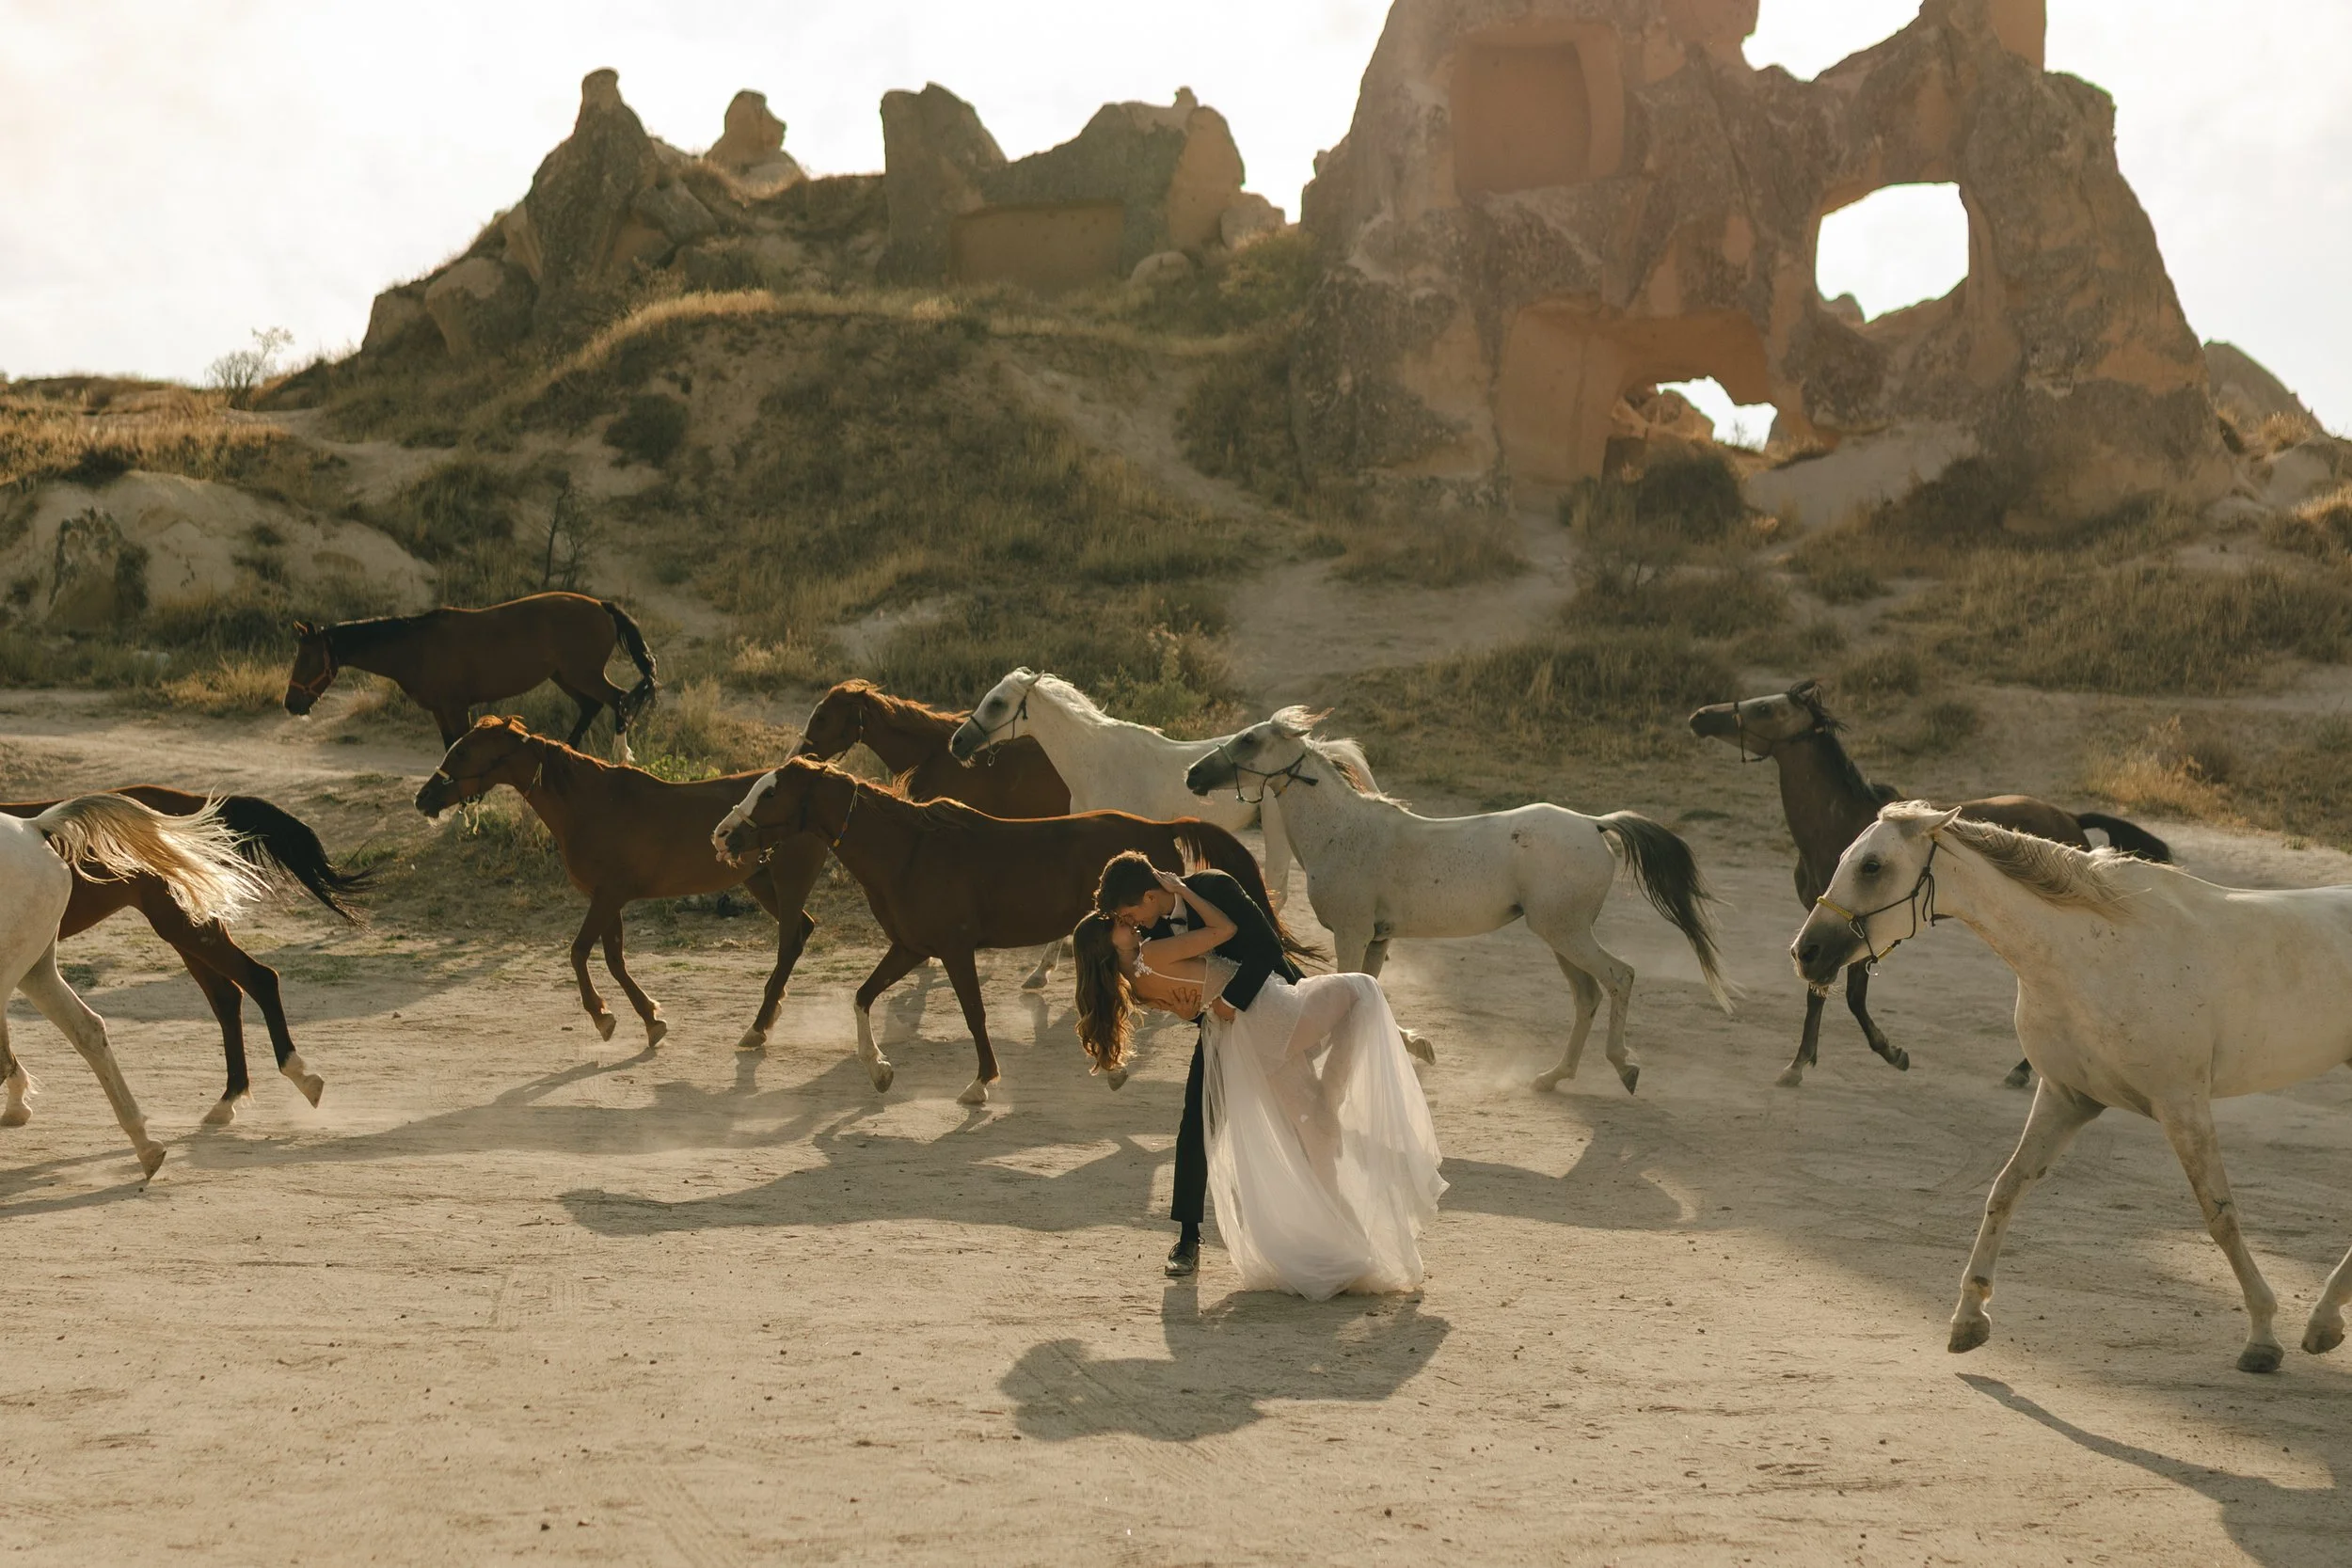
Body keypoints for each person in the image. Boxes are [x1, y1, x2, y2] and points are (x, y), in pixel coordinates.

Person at [1073, 851, 1445, 1299]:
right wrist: (1209, 1011)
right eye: (1121, 919)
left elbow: (1267, 948)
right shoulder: (1144, 936)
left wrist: (1229, 1001)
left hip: (1266, 998)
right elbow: (1184, 988)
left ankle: (1340, 1234)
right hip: (1235, 1027)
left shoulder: (1213, 888)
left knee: (1315, 1127)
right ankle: (1189, 1238)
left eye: (1130, 913)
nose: (1129, 921)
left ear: (1152, 895)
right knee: (1199, 1122)